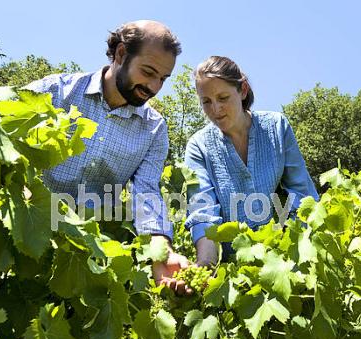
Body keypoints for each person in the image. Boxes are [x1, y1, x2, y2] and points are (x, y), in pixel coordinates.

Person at [26, 20, 192, 295]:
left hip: (87, 259)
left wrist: (161, 251)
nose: (153, 86)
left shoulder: (153, 129)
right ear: (121, 54)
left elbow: (147, 194)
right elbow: (0, 142)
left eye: (162, 79)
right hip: (29, 233)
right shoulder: (54, 92)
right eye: (148, 72)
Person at [184, 56, 319, 266]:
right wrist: (206, 264)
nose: (215, 109)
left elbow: (301, 195)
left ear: (243, 90)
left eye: (223, 97)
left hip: (281, 258)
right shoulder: (198, 146)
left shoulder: (276, 127)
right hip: (231, 268)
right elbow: (203, 213)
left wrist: (293, 254)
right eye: (206, 102)